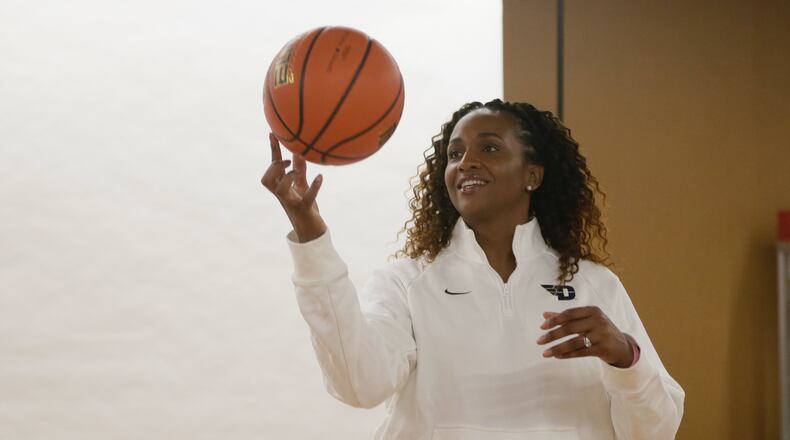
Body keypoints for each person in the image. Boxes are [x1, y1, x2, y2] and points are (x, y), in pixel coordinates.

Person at [261, 99, 685, 439]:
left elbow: (654, 431)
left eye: (490, 148)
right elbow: (359, 385)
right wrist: (311, 234)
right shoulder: (408, 283)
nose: (466, 162)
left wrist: (627, 359)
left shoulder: (593, 284)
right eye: (455, 153)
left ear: (532, 175)